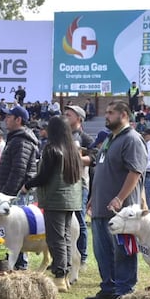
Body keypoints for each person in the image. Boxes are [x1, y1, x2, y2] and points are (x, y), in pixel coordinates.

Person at [85, 100, 147, 299]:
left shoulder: (132, 139)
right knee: (102, 251)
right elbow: (103, 171)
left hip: (122, 210)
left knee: (122, 251)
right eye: (107, 112)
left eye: (111, 113)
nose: (106, 116)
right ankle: (108, 288)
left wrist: (120, 197)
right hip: (103, 206)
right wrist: (94, 196)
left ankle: (124, 291)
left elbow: (135, 172)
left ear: (124, 115)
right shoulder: (111, 139)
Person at [21, 116, 82, 292]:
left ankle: (60, 276)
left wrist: (28, 185)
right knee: (66, 237)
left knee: (55, 239)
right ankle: (66, 275)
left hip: (55, 199)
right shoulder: (72, 150)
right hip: (71, 200)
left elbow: (44, 176)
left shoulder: (52, 149)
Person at [0, 106, 39, 270]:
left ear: (18, 119)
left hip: (17, 193)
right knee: (12, 228)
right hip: (14, 191)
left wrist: (6, 195)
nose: (6, 119)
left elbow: (19, 170)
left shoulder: (22, 140)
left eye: (9, 117)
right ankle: (15, 261)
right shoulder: (16, 139)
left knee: (17, 227)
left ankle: (20, 264)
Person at [63, 104, 93, 267]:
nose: (65, 116)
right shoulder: (62, 137)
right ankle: (66, 254)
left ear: (79, 119)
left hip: (79, 183)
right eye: (65, 114)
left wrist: (77, 158)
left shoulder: (85, 138)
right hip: (63, 183)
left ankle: (82, 256)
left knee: (79, 218)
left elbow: (93, 158)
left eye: (69, 115)